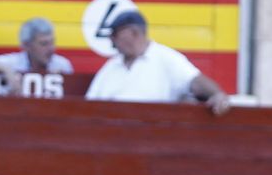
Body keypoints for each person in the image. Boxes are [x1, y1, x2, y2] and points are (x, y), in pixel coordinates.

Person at [85, 9, 231, 115]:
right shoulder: (112, 65)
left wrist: (216, 94)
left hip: (152, 133)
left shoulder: (166, 58)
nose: (112, 40)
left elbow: (194, 81)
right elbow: (90, 103)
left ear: (133, 33)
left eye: (115, 34)